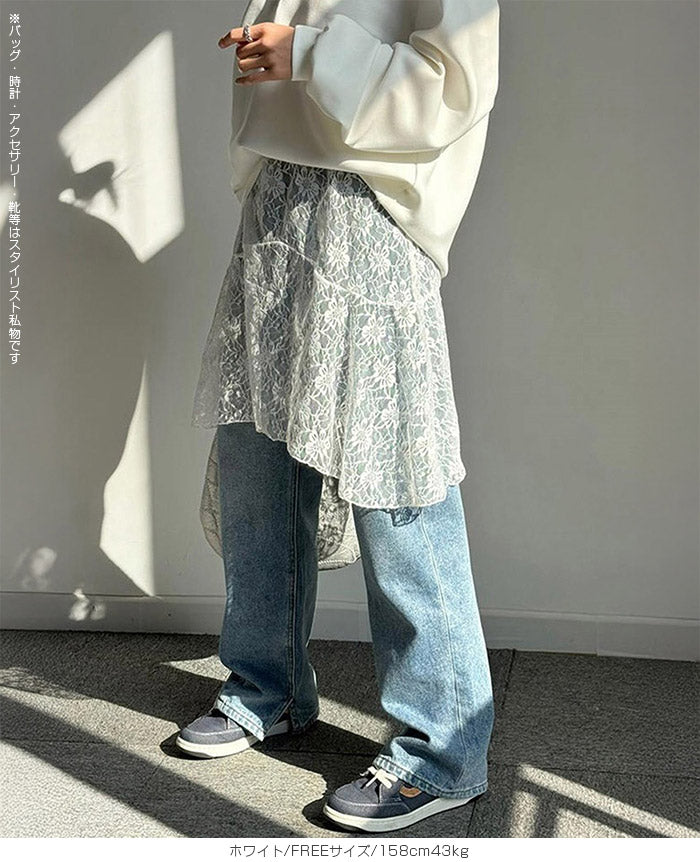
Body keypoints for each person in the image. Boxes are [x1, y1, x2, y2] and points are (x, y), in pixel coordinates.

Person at [180, 0, 501, 833]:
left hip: (371, 214)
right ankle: (269, 687)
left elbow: (452, 88)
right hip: (277, 200)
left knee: (400, 480)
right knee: (257, 463)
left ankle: (443, 751)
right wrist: (273, 52)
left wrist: (308, 52)